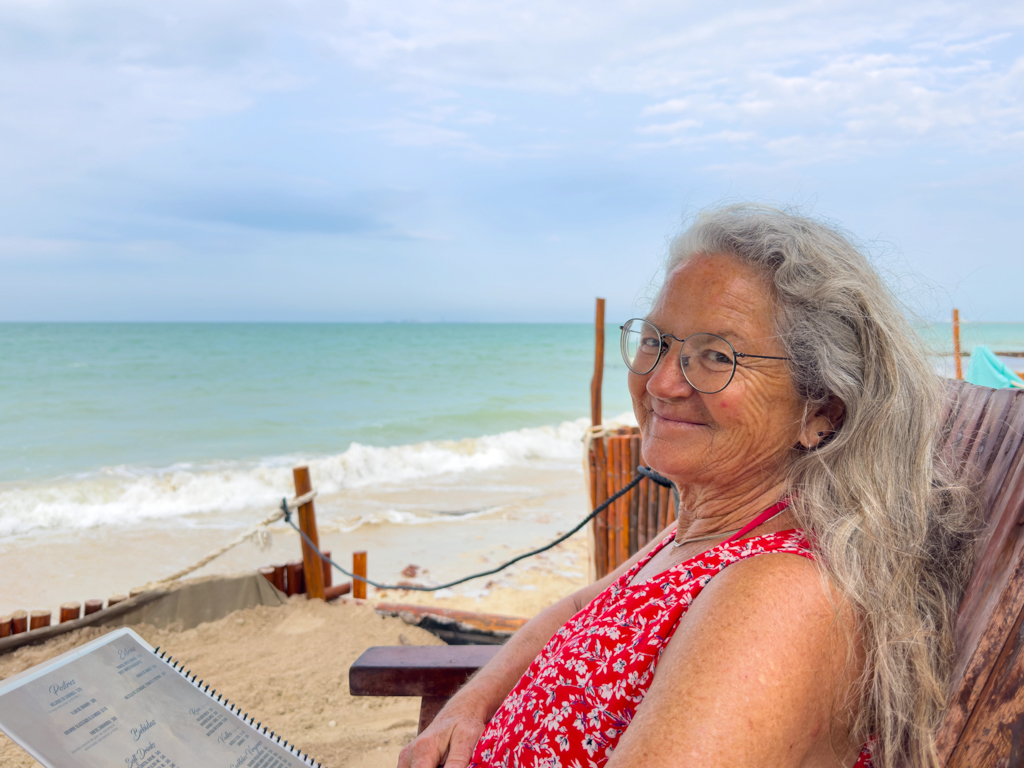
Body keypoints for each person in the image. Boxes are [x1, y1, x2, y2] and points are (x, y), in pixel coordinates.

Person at [398, 205, 978, 768]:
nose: (662, 382)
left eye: (715, 356)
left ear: (821, 409)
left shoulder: (780, 598)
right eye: (656, 341)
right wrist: (470, 705)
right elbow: (580, 606)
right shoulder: (707, 535)